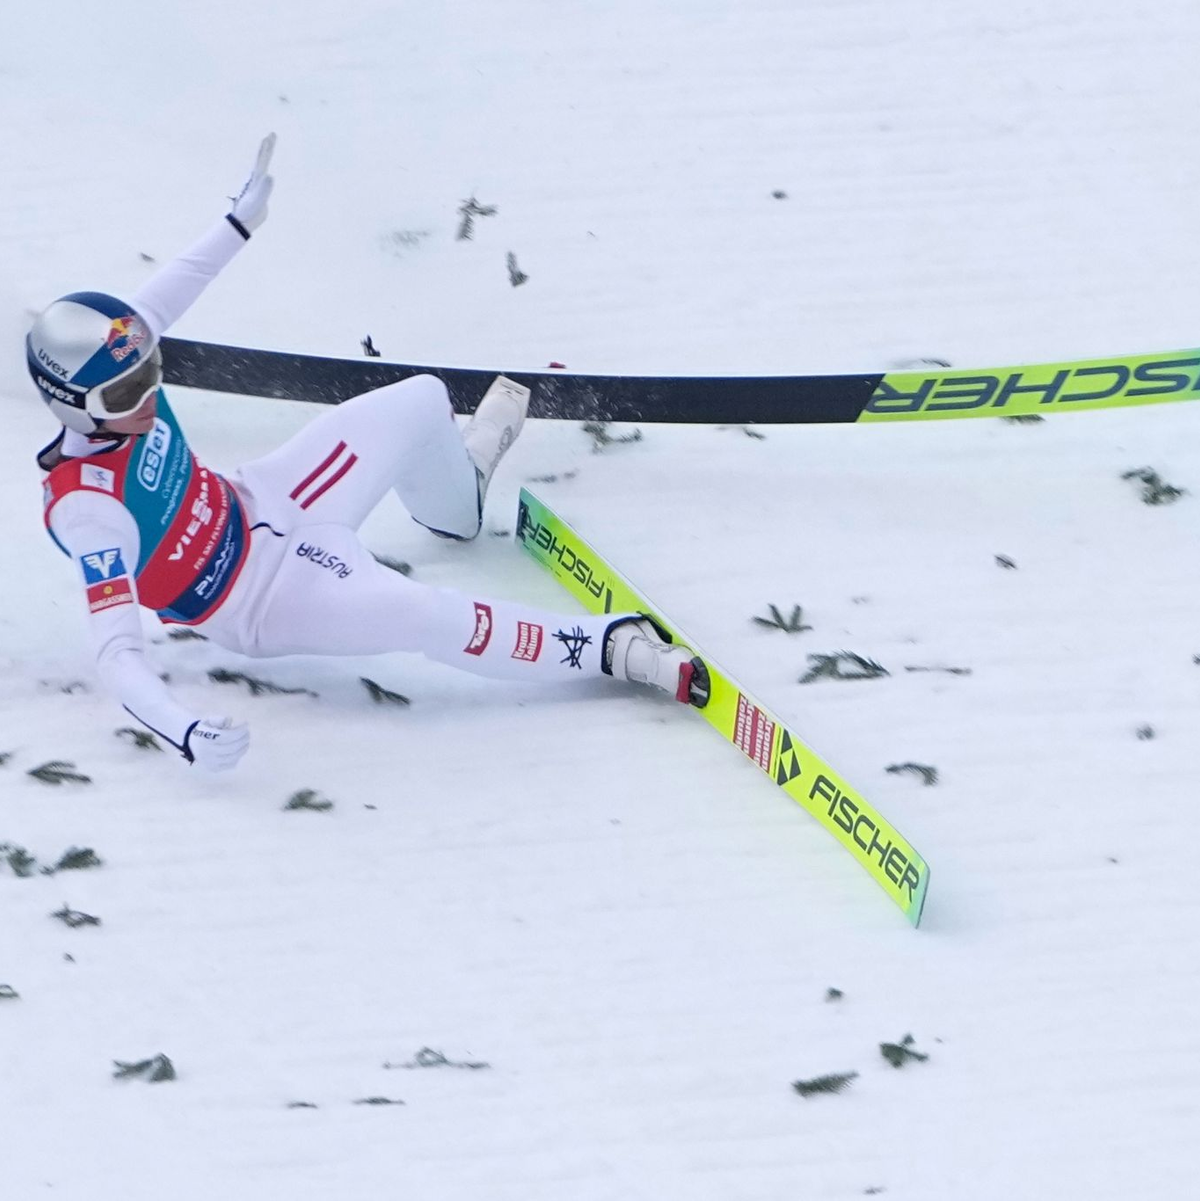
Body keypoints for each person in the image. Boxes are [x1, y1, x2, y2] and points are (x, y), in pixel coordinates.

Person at [28, 136, 709, 772]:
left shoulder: (119, 351)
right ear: (72, 404)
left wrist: (239, 221)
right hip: (261, 597)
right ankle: (612, 648)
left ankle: (458, 503)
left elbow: (173, 292)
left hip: (270, 496)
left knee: (420, 399)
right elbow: (117, 652)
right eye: (124, 394)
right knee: (421, 613)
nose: (145, 395)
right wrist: (180, 729)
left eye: (149, 371)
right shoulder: (89, 508)